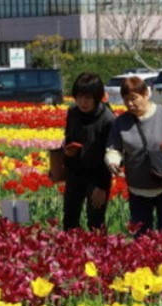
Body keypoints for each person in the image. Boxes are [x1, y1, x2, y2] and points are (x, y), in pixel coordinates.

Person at [105, 76, 162, 235]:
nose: (130, 104)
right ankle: (145, 261)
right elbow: (114, 150)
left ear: (146, 94)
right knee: (141, 233)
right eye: (126, 100)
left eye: (134, 98)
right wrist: (112, 162)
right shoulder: (121, 122)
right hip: (138, 187)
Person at [62, 72, 115, 232]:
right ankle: (71, 255)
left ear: (97, 97)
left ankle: (98, 255)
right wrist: (68, 153)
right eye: (79, 97)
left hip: (97, 175)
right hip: (75, 173)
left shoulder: (108, 119)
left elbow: (112, 154)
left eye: (88, 98)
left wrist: (102, 186)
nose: (83, 102)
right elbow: (68, 138)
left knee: (95, 222)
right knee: (69, 219)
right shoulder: (73, 112)